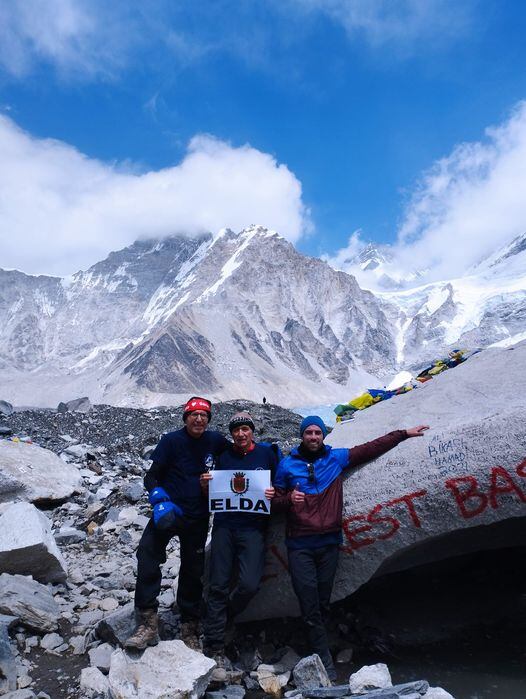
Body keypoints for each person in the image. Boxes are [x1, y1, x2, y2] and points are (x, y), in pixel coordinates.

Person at [273, 416, 429, 680]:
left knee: (322, 601)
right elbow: (273, 503)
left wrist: (402, 433)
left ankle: (317, 646)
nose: (313, 437)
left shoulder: (336, 459)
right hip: (299, 544)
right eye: (308, 432)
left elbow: (371, 448)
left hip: (329, 543)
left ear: (323, 436)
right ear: (302, 436)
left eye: (317, 432)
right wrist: (288, 499)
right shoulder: (287, 465)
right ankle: (325, 664)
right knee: (308, 601)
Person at [125, 397, 230, 651]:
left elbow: (239, 455)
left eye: (204, 415)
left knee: (193, 570)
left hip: (197, 516)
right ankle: (148, 622)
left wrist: (268, 456)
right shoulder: (171, 441)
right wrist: (158, 498)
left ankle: (189, 626)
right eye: (193, 414)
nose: (199, 419)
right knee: (148, 556)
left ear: (208, 419)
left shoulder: (214, 441)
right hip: (169, 512)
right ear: (185, 417)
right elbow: (152, 476)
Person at [200, 411, 278, 660]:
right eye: (236, 430)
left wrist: (275, 493)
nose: (241, 434)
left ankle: (228, 615)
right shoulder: (223, 456)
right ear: (231, 433)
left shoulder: (267, 453)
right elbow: (212, 492)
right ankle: (214, 641)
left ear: (252, 430)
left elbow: (281, 483)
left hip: (253, 527)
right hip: (224, 526)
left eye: (245, 429)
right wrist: (205, 486)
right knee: (218, 583)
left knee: (249, 584)